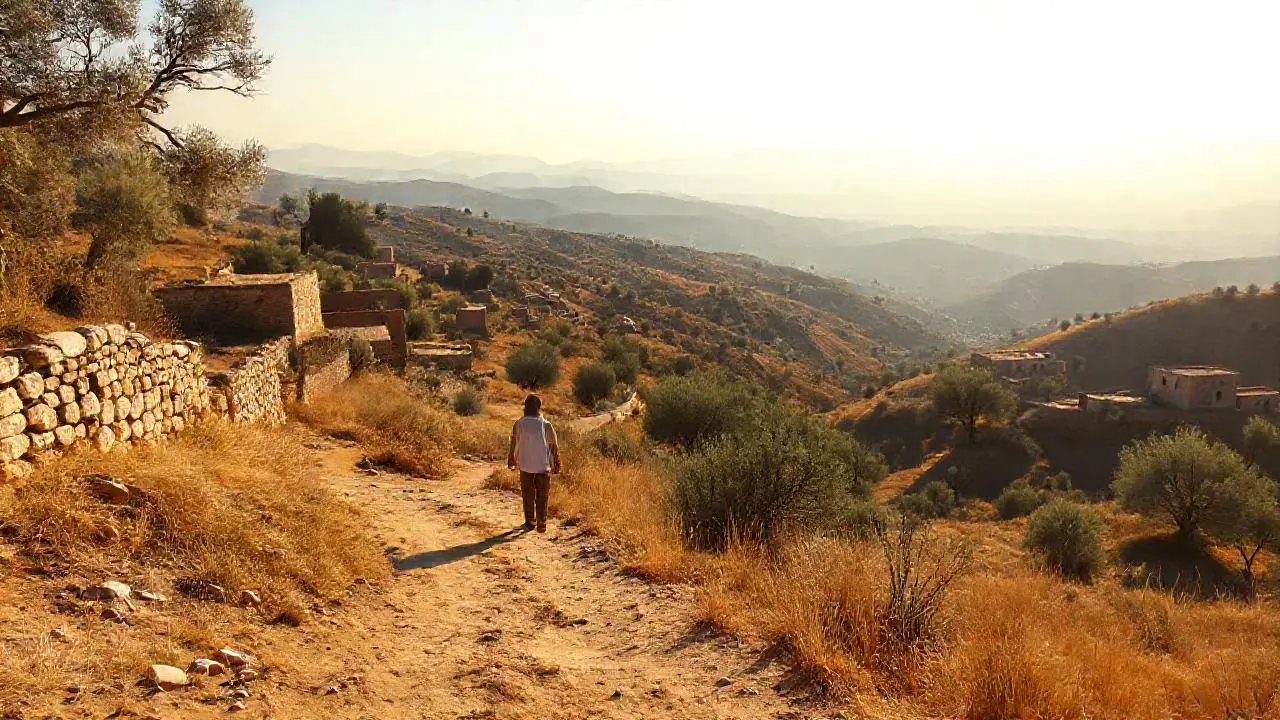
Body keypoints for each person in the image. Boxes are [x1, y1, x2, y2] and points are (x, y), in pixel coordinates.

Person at [507, 393, 561, 533]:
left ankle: (530, 521)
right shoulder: (545, 424)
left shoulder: (518, 423)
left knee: (528, 495)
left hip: (525, 466)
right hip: (543, 467)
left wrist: (511, 458)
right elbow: (553, 445)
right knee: (542, 495)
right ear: (539, 407)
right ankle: (541, 521)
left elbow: (513, 442)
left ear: (525, 407)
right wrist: (557, 461)